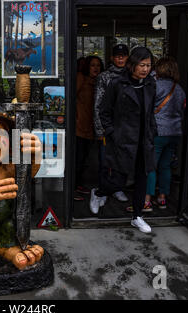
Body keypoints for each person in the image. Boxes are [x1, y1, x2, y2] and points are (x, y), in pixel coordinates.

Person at [90, 47, 158, 233]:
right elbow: (104, 111)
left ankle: (137, 216)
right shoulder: (117, 84)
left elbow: (150, 111)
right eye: (142, 65)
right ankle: (98, 192)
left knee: (141, 179)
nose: (145, 69)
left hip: (143, 140)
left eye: (148, 65)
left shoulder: (150, 84)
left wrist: (152, 132)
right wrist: (112, 132)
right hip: (122, 140)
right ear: (132, 65)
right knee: (117, 180)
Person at [144, 57, 186, 211]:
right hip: (175, 133)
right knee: (166, 167)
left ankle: (146, 200)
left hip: (158, 132)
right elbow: (182, 112)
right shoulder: (180, 89)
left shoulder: (155, 86)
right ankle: (162, 199)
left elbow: (147, 108)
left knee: (150, 166)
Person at [92, 44, 130, 205]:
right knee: (105, 160)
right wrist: (100, 130)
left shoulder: (131, 75)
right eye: (117, 56)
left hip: (126, 128)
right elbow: (97, 104)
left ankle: (117, 188)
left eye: (123, 55)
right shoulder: (104, 77)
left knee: (122, 160)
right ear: (112, 58)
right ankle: (103, 189)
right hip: (108, 127)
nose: (120, 58)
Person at [75, 56, 104, 201]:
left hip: (92, 128)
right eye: (92, 65)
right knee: (78, 159)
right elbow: (70, 98)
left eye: (98, 65)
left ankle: (78, 184)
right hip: (79, 126)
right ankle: (73, 188)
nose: (95, 68)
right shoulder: (81, 78)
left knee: (85, 159)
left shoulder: (100, 82)